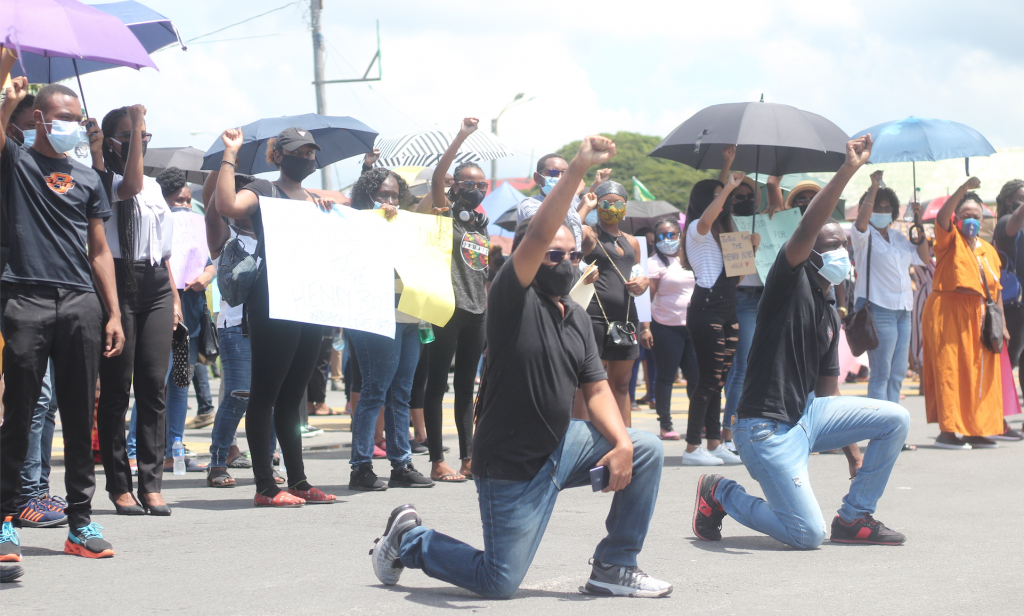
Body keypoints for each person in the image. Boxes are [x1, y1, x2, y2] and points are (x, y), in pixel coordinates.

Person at [370, 135, 672, 599]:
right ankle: (409, 539)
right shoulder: (513, 298)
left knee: (646, 448)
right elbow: (536, 236)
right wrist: (575, 171)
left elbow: (596, 390)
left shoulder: (576, 318)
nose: (566, 262)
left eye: (572, 255)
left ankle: (615, 565)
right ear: (529, 257)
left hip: (561, 447)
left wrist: (622, 443)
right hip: (513, 466)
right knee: (499, 581)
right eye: (554, 254)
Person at [692, 135, 912, 549]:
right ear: (806, 253)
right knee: (806, 534)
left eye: (844, 246)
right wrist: (848, 171)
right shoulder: (785, 283)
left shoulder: (829, 310)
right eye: (830, 247)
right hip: (763, 430)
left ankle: (854, 517)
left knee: (895, 418)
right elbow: (810, 223)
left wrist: (853, 455)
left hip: (807, 419)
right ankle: (721, 492)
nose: (841, 254)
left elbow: (827, 393)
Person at [1, 75, 124, 562]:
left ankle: (80, 522)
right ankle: (6, 520)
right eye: (65, 119)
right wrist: (6, 91)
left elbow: (99, 250)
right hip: (25, 298)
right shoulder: (16, 162)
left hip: (80, 302)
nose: (75, 126)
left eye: (79, 119)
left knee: (78, 413)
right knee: (21, 413)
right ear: (39, 119)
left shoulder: (89, 177)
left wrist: (112, 312)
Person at [213, 126, 337, 506]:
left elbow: (354, 204)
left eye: (311, 152)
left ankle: (298, 481)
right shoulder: (264, 190)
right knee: (265, 395)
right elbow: (228, 207)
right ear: (278, 155)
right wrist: (230, 154)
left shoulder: (315, 197)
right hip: (273, 301)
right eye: (299, 151)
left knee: (292, 397)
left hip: (308, 302)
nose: (307, 158)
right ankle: (266, 486)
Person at [91, 105, 178, 516]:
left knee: (153, 386)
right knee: (116, 390)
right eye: (127, 134)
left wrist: (175, 297)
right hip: (118, 282)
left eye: (141, 134)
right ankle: (118, 484)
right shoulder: (101, 180)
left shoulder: (157, 188)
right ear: (110, 141)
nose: (137, 139)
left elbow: (164, 252)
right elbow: (130, 184)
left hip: (156, 283)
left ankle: (152, 483)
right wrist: (135, 124)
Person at [346, 167, 433, 490]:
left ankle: (401, 464)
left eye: (395, 195)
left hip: (409, 315)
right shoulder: (354, 223)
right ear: (367, 196)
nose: (391, 201)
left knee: (401, 393)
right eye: (383, 194)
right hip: (375, 316)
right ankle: (361, 466)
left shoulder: (405, 224)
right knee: (374, 390)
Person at [422, 118, 491, 483]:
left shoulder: (481, 224)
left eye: (482, 184)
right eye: (469, 184)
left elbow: (482, 272)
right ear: (455, 187)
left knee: (468, 387)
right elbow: (436, 177)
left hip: (477, 311)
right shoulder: (444, 212)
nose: (476, 189)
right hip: (446, 309)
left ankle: (468, 459)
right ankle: (436, 460)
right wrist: (461, 137)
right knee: (437, 385)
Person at [922, 178, 1007, 449]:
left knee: (979, 373)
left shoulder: (988, 251)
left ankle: (975, 429)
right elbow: (943, 215)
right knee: (950, 370)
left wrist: (1002, 324)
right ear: (957, 218)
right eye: (966, 215)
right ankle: (948, 432)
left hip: (980, 317)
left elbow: (997, 290)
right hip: (948, 312)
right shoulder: (949, 240)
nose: (972, 220)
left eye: (977, 216)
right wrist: (963, 190)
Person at [678, 175, 745, 465]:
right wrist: (728, 185)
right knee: (707, 380)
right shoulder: (697, 229)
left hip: (728, 307)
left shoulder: (727, 232)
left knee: (719, 380)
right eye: (720, 195)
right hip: (706, 309)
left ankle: (715, 443)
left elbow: (738, 277)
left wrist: (750, 248)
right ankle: (692, 447)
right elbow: (707, 219)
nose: (728, 200)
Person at [850, 170, 930, 408]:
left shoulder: (897, 237)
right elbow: (861, 221)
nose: (882, 212)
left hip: (903, 310)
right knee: (881, 373)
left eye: (887, 208)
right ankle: (879, 430)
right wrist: (873, 187)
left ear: (894, 211)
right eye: (877, 207)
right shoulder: (863, 236)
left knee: (897, 374)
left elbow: (923, 258)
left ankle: (894, 431)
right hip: (878, 309)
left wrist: (919, 222)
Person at [155, 170, 214, 474]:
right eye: (178, 201)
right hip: (163, 310)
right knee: (156, 383)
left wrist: (208, 273)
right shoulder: (155, 224)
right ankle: (137, 449)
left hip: (190, 314)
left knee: (179, 384)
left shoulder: (198, 225)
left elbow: (209, 257)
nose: (185, 206)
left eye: (189, 201)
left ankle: (172, 452)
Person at [580, 181, 651, 427]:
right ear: (597, 206)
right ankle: (583, 444)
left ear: (625, 206)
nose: (612, 207)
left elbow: (639, 273)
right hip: (594, 317)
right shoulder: (589, 233)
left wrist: (644, 282)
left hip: (626, 319)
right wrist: (584, 205)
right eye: (605, 203)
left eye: (617, 203)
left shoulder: (632, 242)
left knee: (622, 384)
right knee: (590, 383)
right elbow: (569, 233)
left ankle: (627, 442)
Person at [647, 218, 699, 440]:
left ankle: (699, 424)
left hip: (694, 328)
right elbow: (646, 298)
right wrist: (644, 328)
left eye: (670, 235)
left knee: (696, 378)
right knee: (666, 377)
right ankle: (666, 426)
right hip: (665, 327)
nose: (666, 240)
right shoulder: (653, 263)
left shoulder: (692, 259)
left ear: (679, 234)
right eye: (661, 236)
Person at [989, 178, 1024, 440]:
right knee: (1006, 363)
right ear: (1010, 200)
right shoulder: (1005, 223)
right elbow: (1013, 224)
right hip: (1012, 306)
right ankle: (994, 419)